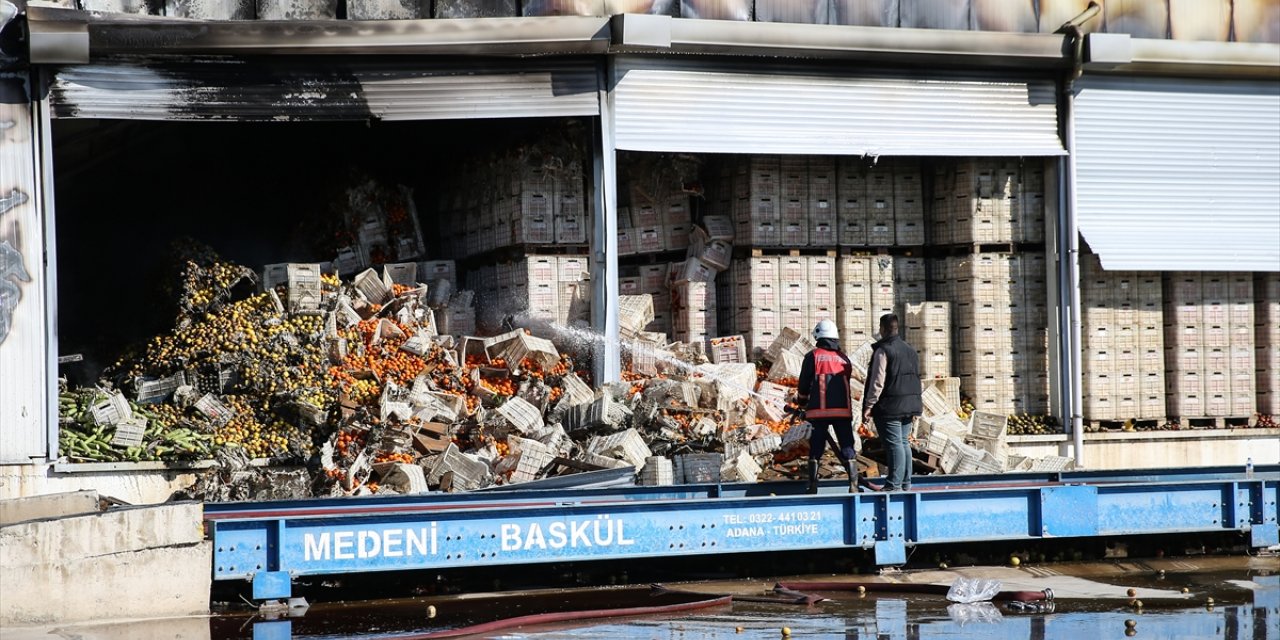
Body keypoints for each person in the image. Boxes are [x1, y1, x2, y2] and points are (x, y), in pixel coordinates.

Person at [795, 319, 861, 494]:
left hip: (819, 412)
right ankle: (853, 484)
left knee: (816, 447)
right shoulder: (844, 358)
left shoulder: (813, 356)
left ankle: (813, 485)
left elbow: (803, 385)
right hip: (842, 411)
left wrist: (801, 403)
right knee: (847, 445)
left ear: (819, 336)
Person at [862, 313, 923, 492]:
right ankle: (905, 483)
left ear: (882, 329)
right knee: (903, 442)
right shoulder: (910, 349)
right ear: (897, 328)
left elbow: (877, 382)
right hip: (910, 404)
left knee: (894, 443)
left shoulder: (884, 350)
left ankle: (893, 485)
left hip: (890, 406)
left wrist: (869, 405)